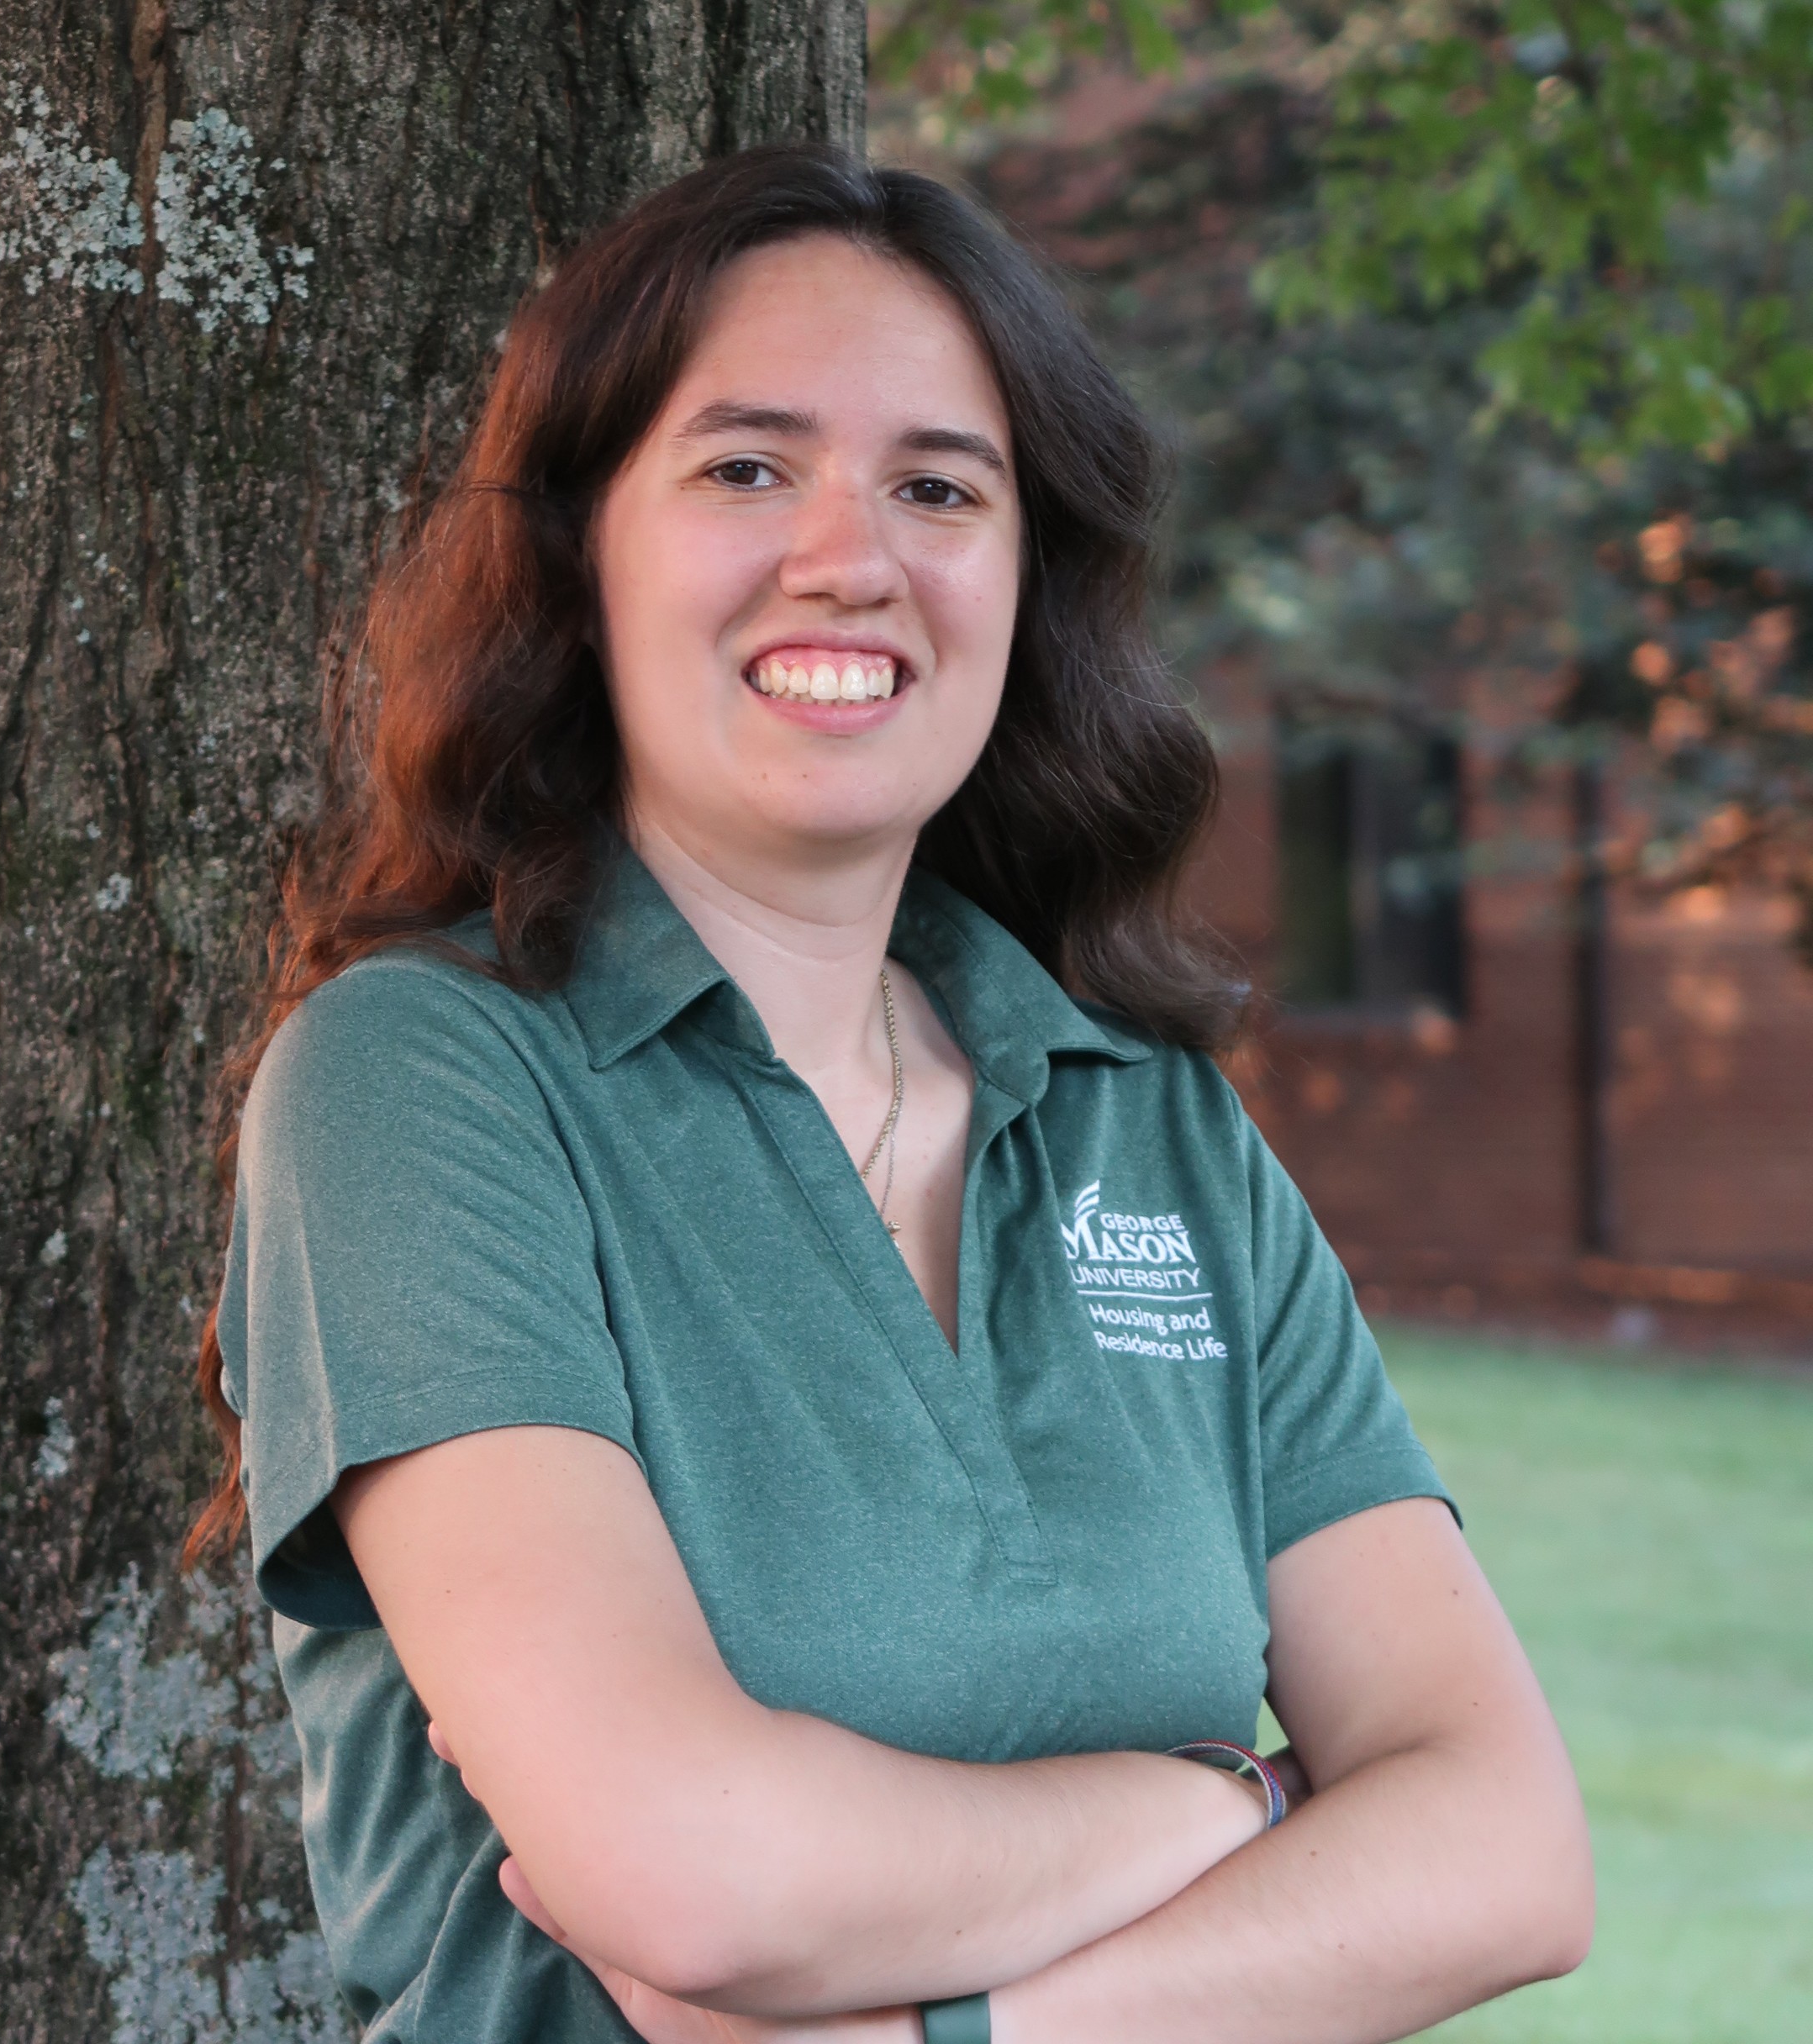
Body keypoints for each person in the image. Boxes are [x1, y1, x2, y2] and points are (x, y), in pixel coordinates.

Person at [187, 143, 1593, 2044]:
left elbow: (1506, 1846)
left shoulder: (1152, 1124)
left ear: (1028, 581)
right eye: (746, 466)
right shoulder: (423, 1087)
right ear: (580, 551)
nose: (849, 555)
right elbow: (694, 1874)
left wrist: (964, 2034)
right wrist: (1249, 1803)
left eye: (940, 486)